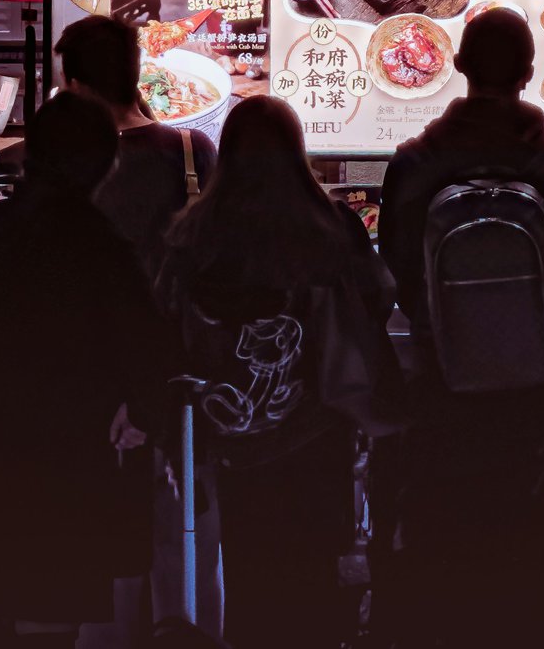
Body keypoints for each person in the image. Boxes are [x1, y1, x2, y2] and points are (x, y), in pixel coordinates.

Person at [0, 93, 164, 649]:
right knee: (48, 612)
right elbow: (145, 344)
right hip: (67, 456)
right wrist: (136, 411)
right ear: (104, 164)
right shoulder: (103, 241)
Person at [377, 9, 544, 647]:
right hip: (530, 391)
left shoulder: (414, 163)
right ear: (530, 72)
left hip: (440, 387)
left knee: (445, 537)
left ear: (457, 66)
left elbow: (397, 270)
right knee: (523, 538)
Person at [156, 96, 395, 649]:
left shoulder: (195, 233)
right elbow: (377, 297)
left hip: (232, 437)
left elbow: (167, 322)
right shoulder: (330, 225)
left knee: (249, 568)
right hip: (319, 427)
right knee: (316, 567)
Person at [54, 16, 221, 643]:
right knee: (186, 531)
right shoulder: (191, 150)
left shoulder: (74, 168)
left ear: (76, 86)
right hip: (181, 368)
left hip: (95, 373)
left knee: (103, 537)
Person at [55, 15, 216, 285]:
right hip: (174, 308)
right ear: (135, 73)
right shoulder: (194, 147)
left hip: (99, 306)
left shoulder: (69, 160)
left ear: (76, 87)